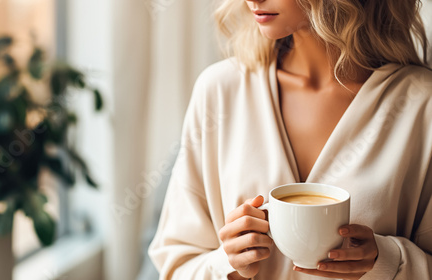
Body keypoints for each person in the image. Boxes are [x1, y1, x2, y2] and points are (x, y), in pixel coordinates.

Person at [149, 0, 432, 279]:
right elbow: (176, 266)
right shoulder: (220, 90)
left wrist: (388, 261)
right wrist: (227, 264)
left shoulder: (422, 105)